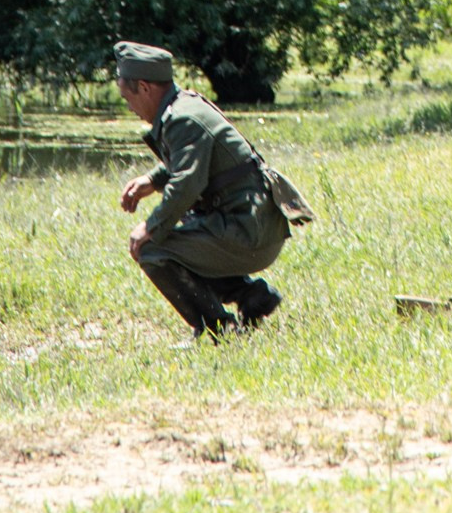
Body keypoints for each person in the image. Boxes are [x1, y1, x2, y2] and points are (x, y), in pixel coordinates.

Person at [114, 42, 312, 339]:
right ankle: (251, 296)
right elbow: (195, 161)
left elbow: (187, 184)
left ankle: (216, 329)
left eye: (126, 96)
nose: (127, 105)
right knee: (177, 235)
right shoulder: (184, 105)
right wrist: (153, 181)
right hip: (255, 225)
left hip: (249, 232)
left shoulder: (180, 118)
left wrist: (150, 227)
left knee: (153, 249)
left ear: (143, 87)